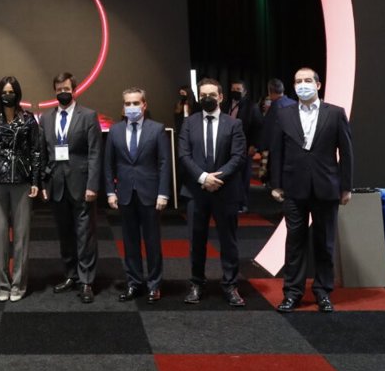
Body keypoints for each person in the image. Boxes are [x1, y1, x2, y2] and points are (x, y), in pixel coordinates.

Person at [268, 67, 353, 313]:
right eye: (298, 81)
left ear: (318, 85)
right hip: (293, 188)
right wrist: (276, 184)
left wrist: (346, 187)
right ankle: (292, 293)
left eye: (307, 80)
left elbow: (347, 152)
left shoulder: (335, 113)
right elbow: (277, 151)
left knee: (324, 243)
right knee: (294, 242)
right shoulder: (284, 114)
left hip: (326, 187)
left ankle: (323, 292)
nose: (302, 85)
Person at [179, 78, 247, 306]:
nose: (207, 98)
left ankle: (230, 285)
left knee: (229, 241)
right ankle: (197, 284)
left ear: (221, 97)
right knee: (196, 241)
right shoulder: (189, 123)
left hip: (225, 191)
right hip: (196, 191)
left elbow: (239, 156)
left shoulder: (234, 124)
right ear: (199, 98)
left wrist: (217, 178)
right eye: (203, 95)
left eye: (211, 95)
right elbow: (183, 155)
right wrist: (203, 177)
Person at [40, 71, 102, 303]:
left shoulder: (88, 116)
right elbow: (43, 153)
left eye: (66, 89)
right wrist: (43, 183)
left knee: (85, 234)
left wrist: (93, 184)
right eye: (59, 90)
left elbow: (95, 153)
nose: (63, 93)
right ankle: (70, 274)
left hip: (82, 184)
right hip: (56, 184)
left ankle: (86, 281)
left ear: (74, 90)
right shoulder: (46, 118)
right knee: (64, 233)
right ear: (54, 92)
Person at [104, 87, 170, 304]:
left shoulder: (157, 129)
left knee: (152, 242)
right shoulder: (115, 130)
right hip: (124, 194)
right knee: (130, 242)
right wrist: (110, 192)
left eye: (135, 103)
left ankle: (154, 285)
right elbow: (108, 164)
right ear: (123, 107)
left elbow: (164, 164)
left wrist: (163, 193)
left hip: (150, 194)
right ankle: (134, 283)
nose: (131, 107)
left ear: (144, 105)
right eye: (127, 104)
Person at [0, 76, 43, 302]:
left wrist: (35, 181)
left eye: (12, 92)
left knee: (21, 236)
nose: (8, 95)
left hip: (22, 182)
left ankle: (19, 283)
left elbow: (36, 151)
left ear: (18, 94)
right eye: (5, 92)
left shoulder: (28, 119)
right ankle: (3, 283)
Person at [225, 78, 263, 213]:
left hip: (244, 146)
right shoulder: (225, 105)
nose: (235, 92)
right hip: (226, 146)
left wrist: (254, 145)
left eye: (238, 90)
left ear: (245, 92)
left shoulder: (252, 106)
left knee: (243, 177)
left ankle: (242, 203)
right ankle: (229, 201)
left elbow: (258, 127)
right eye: (233, 89)